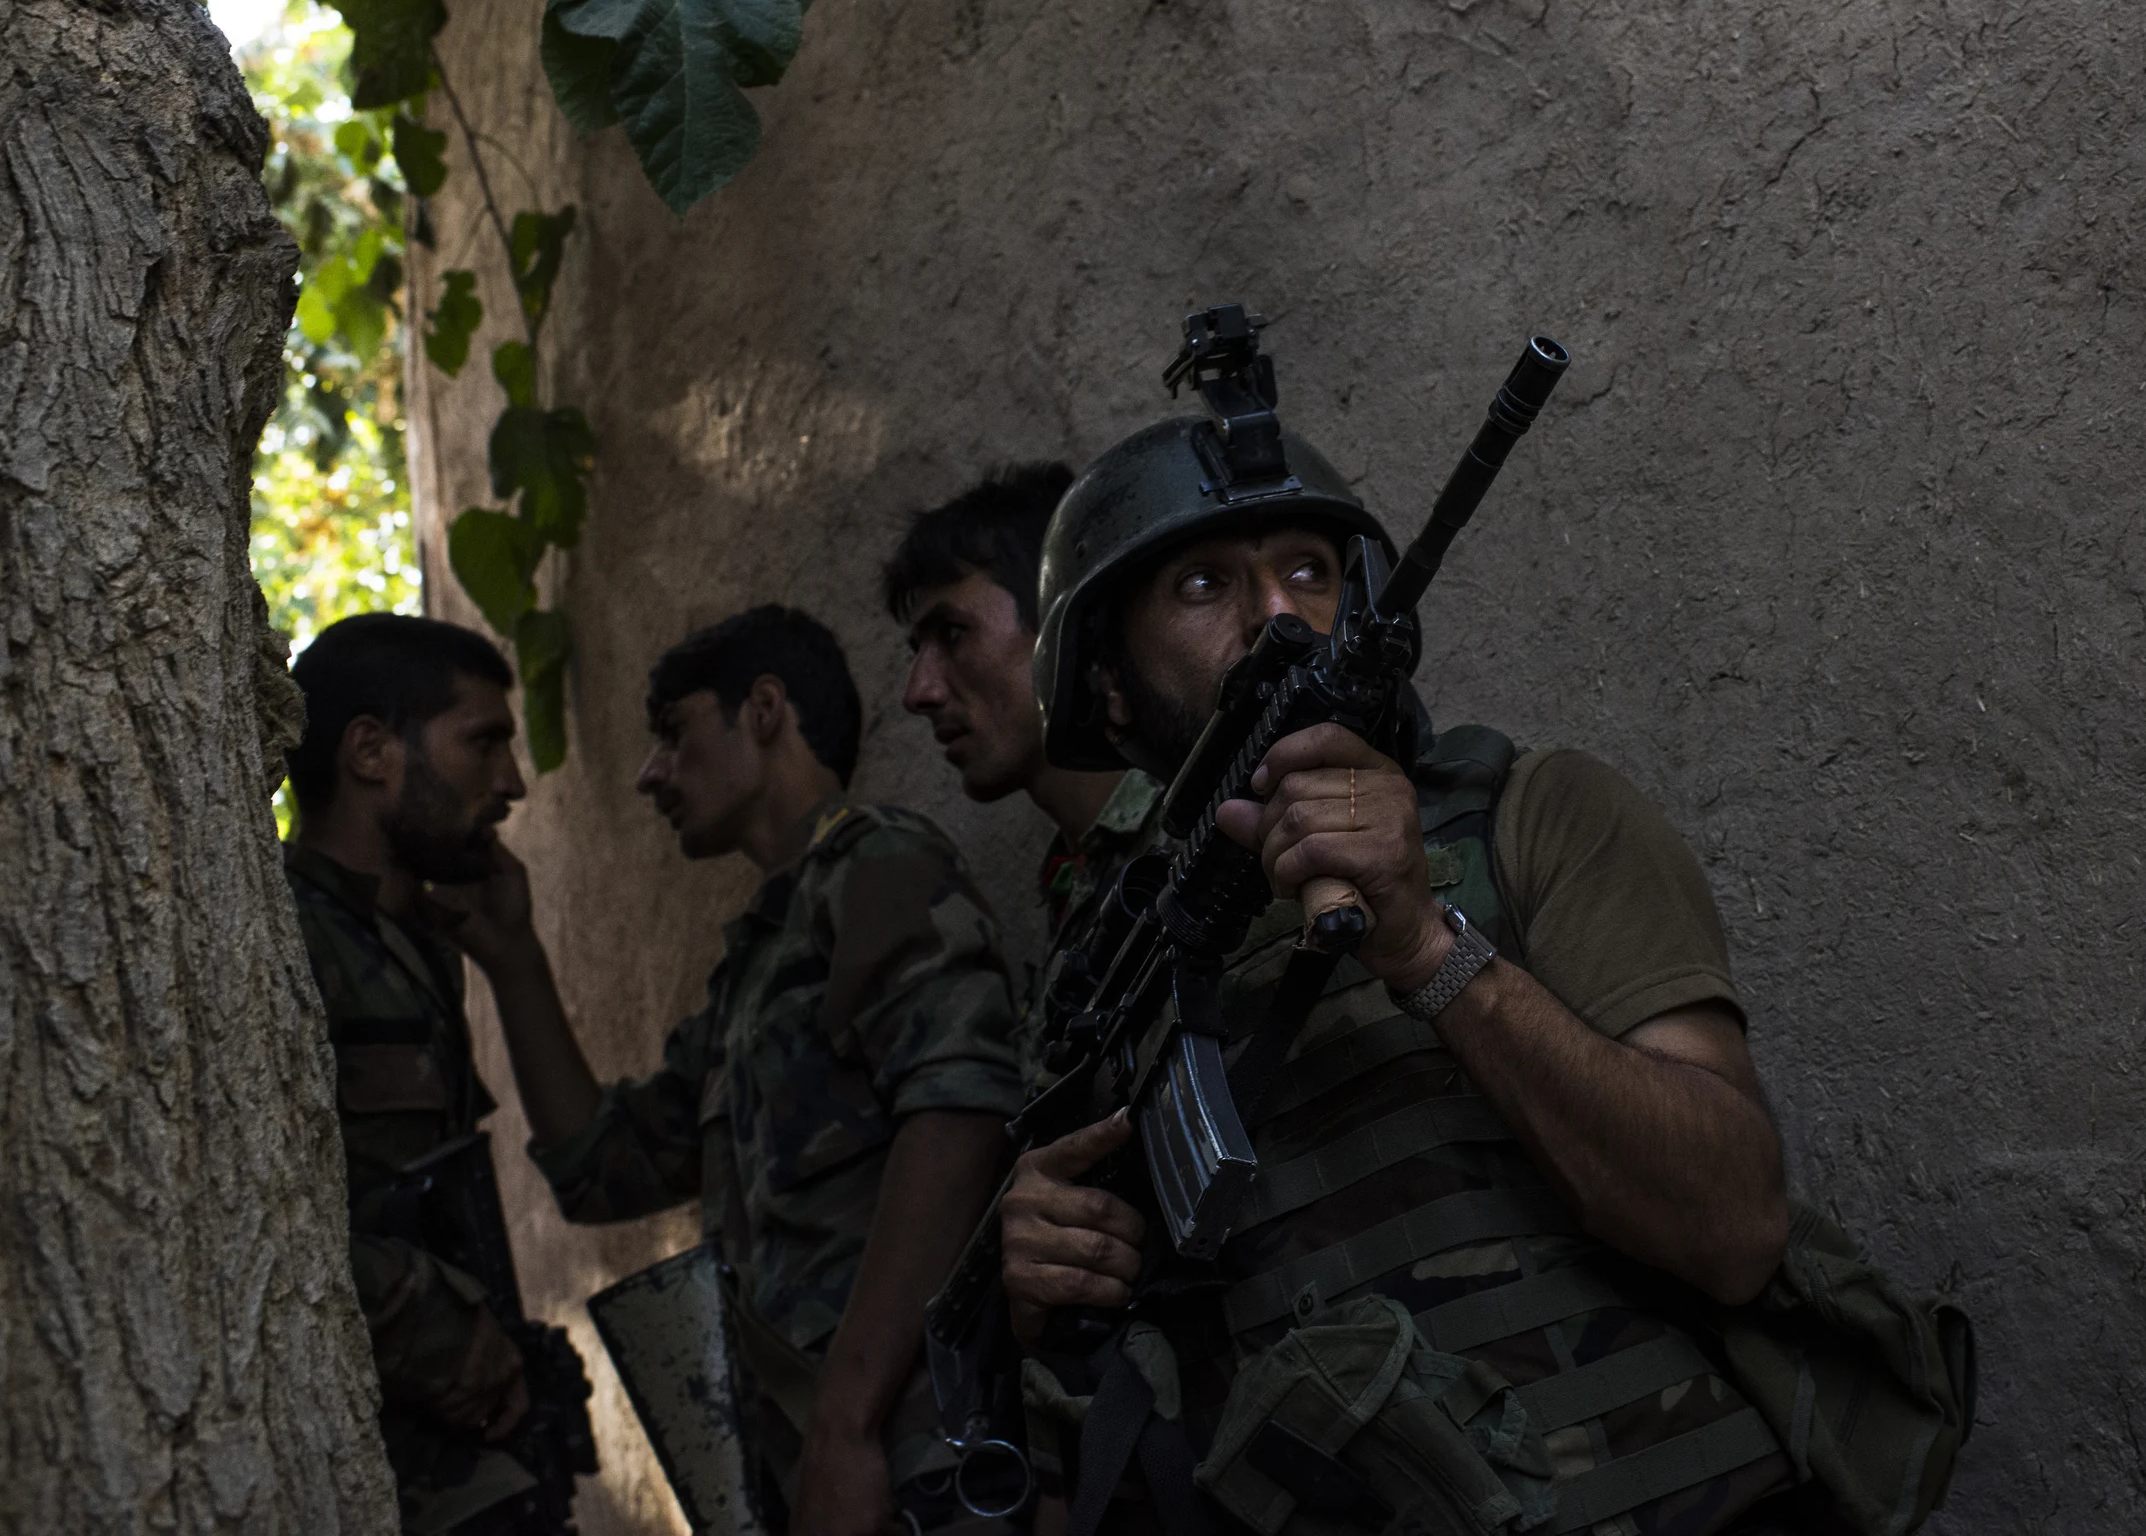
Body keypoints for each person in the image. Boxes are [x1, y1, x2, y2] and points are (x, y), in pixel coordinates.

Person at [992, 414, 1813, 1535]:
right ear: (1110, 686)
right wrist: (1049, 1278)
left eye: (1306, 571)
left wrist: (1428, 945)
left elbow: (1731, 1226)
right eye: (1200, 585)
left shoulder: (1533, 812)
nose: (1277, 615)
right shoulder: (1111, 966)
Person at [440, 605, 1026, 1536]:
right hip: (821, 1470)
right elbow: (602, 1166)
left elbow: (962, 1113)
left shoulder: (876, 859)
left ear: (762, 710)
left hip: (918, 1456)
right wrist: (513, 957)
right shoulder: (761, 957)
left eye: (673, 735)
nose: (649, 775)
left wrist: (847, 1422)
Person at [284, 613, 589, 1535]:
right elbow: (255, 1218)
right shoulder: (282, 936)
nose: (511, 782)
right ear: (372, 751)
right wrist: (435, 1322)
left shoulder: (416, 942)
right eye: (483, 741)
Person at [881, 461, 1140, 941]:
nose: (918, 693)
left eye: (953, 634)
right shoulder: (1075, 881)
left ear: (1063, 625)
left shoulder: (1205, 835)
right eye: (917, 651)